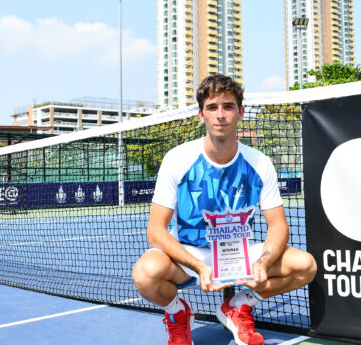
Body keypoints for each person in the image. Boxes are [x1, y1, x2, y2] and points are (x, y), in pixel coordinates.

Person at [132, 74, 317, 345]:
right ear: (201, 114)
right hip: (190, 256)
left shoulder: (260, 163)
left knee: (305, 266)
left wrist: (264, 262)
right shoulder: (177, 159)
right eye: (212, 107)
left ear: (241, 113)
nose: (221, 115)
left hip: (240, 255)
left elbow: (278, 226)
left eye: (228, 106)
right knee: (145, 273)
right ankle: (177, 314)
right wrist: (197, 265)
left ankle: (239, 305)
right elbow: (156, 231)